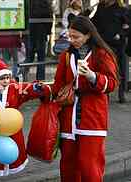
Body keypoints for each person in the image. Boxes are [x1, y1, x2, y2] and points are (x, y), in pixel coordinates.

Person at [40, 16, 119, 181]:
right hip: (68, 118)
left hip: (92, 118)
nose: (72, 40)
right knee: (69, 166)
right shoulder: (66, 56)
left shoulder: (101, 54)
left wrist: (92, 76)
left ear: (88, 35)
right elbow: (58, 85)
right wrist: (40, 91)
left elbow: (112, 83)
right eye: (70, 36)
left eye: (76, 36)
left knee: (90, 167)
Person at [90, 0, 129, 103]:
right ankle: (104, 93)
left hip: (118, 45)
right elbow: (94, 23)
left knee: (120, 69)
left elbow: (127, 26)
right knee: (104, 69)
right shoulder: (101, 7)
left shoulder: (122, 9)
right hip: (103, 44)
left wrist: (120, 34)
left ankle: (121, 94)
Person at [27, 0, 53, 80]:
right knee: (41, 59)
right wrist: (48, 31)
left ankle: (22, 74)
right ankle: (40, 80)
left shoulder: (30, 3)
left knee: (29, 57)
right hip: (42, 33)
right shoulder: (46, 4)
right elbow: (50, 18)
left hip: (31, 32)